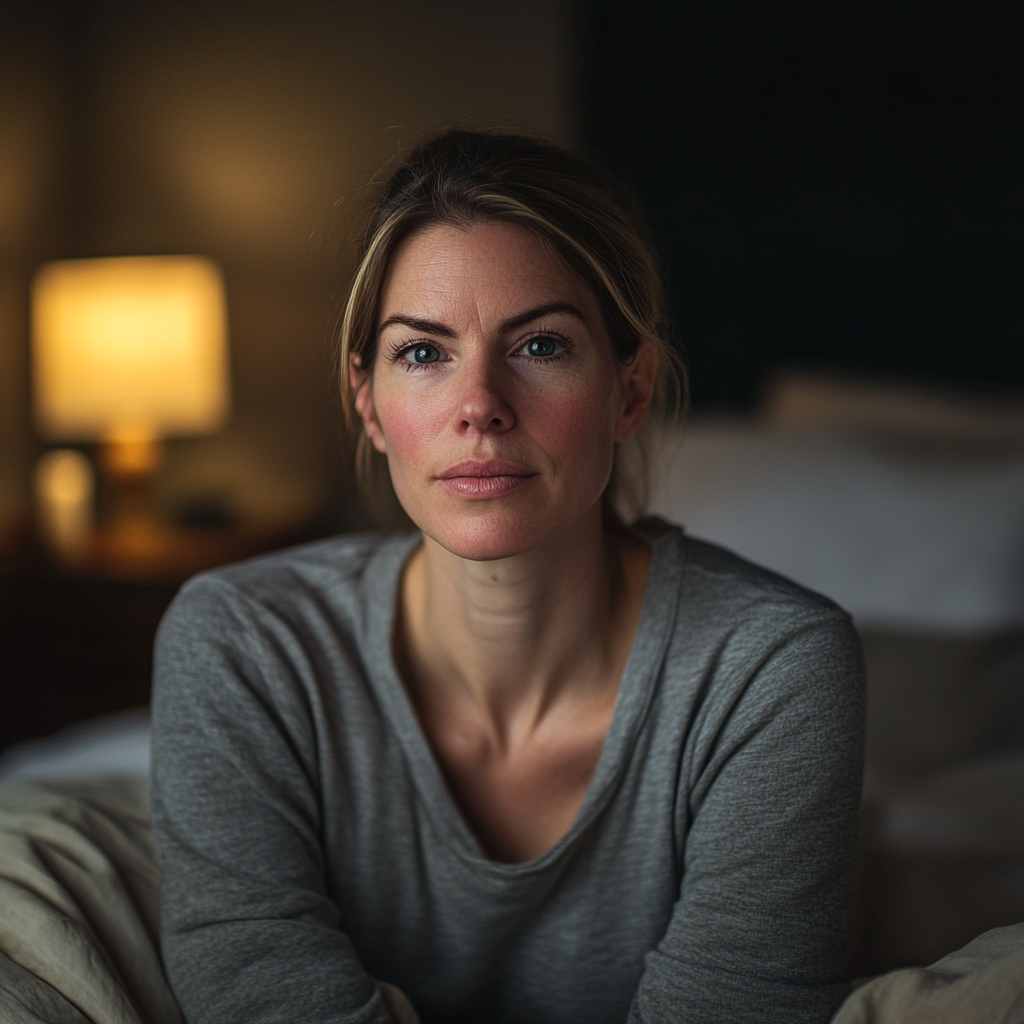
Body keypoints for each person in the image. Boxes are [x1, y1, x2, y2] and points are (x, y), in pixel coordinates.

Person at [150, 129, 865, 1024]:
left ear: (630, 390)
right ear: (367, 401)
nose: (479, 405)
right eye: (422, 353)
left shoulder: (773, 670)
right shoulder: (241, 644)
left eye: (541, 347)